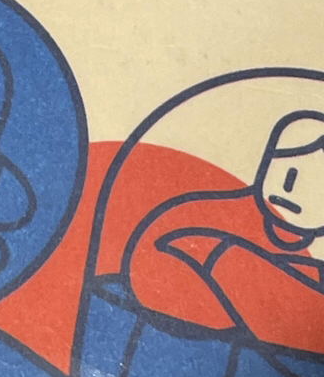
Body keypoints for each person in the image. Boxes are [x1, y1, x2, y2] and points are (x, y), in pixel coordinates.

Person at [126, 110, 324, 356]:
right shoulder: (216, 224)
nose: (290, 187)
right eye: (289, 171)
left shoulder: (301, 252)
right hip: (172, 316)